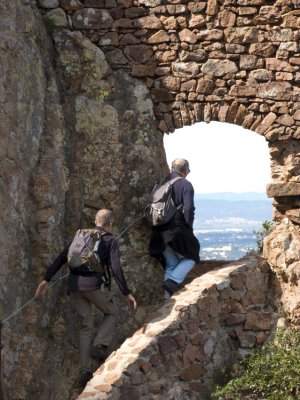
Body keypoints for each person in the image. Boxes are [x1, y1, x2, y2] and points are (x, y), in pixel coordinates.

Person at [35, 209, 137, 388]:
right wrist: (126, 292)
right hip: (94, 287)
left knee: (85, 325)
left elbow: (61, 257)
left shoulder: (80, 236)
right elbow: (116, 269)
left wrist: (46, 279)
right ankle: (99, 346)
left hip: (75, 287)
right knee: (112, 311)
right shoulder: (109, 240)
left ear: (95, 221)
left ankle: (85, 371)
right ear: (110, 224)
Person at [149, 158, 200, 298]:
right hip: (176, 229)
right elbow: (188, 208)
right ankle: (172, 281)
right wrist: (188, 228)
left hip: (158, 231)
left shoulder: (159, 183)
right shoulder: (185, 184)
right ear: (185, 171)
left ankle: (167, 299)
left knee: (171, 263)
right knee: (192, 256)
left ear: (172, 168)